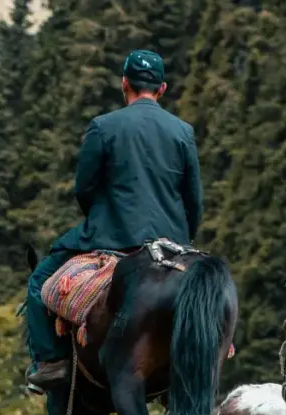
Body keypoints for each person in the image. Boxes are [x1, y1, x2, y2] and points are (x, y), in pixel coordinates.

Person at [24, 49, 204, 392]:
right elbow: (194, 199)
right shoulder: (183, 131)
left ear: (125, 83)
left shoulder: (103, 126)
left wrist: (101, 218)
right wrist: (183, 241)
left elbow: (84, 188)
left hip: (113, 234)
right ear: (162, 88)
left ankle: (50, 362)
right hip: (172, 241)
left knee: (39, 281)